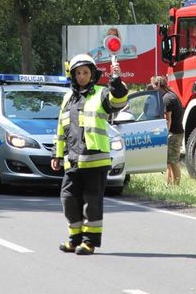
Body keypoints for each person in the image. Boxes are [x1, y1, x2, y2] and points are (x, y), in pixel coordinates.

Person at [51, 53, 128, 255]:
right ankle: (75, 239)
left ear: (92, 74)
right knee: (68, 199)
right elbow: (61, 128)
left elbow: (119, 101)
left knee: (92, 203)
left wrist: (116, 80)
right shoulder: (68, 98)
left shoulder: (102, 94)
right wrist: (56, 155)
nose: (82, 76)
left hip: (95, 161)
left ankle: (89, 242)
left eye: (85, 72)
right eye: (78, 73)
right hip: (72, 161)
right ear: (73, 75)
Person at [150, 75, 184, 186]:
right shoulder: (171, 95)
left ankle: (176, 186)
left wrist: (165, 135)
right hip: (176, 132)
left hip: (173, 133)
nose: (153, 88)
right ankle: (169, 184)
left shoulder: (166, 99)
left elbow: (168, 120)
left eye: (154, 86)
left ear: (159, 85)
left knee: (173, 161)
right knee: (169, 161)